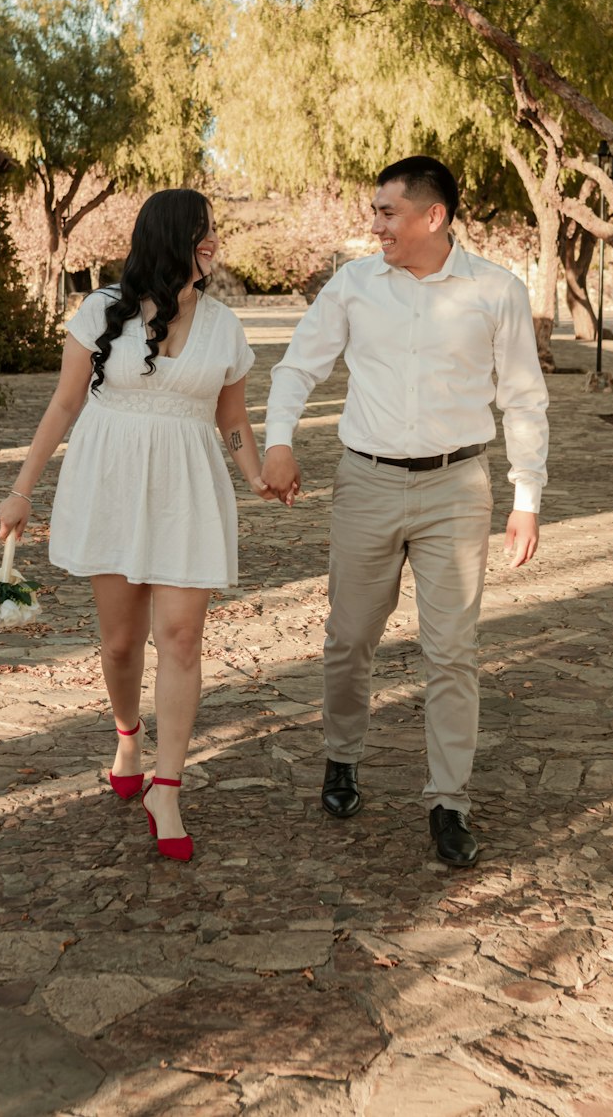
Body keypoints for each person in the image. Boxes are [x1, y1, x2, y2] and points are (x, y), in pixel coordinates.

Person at [260, 156, 549, 867]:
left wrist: (527, 499)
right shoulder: (353, 286)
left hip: (457, 489)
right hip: (367, 484)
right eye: (375, 210)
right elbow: (299, 366)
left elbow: (523, 397)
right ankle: (342, 757)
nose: (376, 223)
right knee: (349, 638)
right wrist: (276, 444)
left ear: (434, 216)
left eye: (388, 211)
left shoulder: (496, 291)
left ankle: (449, 801)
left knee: (453, 652)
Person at [0, 189, 272, 862]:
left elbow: (231, 421)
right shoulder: (99, 312)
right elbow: (64, 405)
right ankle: (128, 735)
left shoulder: (224, 327)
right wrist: (21, 489)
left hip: (186, 489)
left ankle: (167, 786)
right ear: (170, 238)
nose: (213, 245)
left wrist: (258, 477)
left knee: (179, 640)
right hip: (112, 484)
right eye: (203, 234)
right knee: (121, 644)